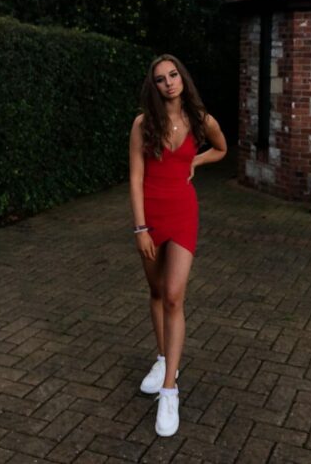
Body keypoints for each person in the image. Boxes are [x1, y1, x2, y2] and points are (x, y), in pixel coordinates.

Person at [129, 54, 227, 437]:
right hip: (151, 215)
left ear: (182, 79)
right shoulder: (143, 124)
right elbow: (135, 178)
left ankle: (170, 389)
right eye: (160, 78)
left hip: (184, 211)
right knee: (156, 291)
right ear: (153, 86)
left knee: (173, 296)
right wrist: (140, 228)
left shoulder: (201, 120)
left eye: (173, 75)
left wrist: (196, 162)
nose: (168, 82)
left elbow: (221, 148)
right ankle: (162, 359)